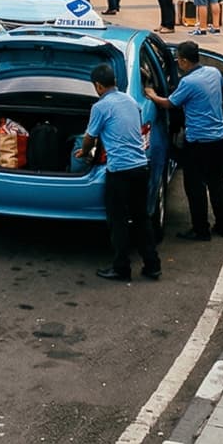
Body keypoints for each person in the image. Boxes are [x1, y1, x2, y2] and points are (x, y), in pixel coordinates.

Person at [143, 41, 223, 240]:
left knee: (194, 186)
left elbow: (169, 103)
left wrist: (152, 95)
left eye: (178, 60)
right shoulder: (214, 72)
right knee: (216, 182)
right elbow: (222, 91)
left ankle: (200, 229)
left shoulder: (188, 83)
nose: (178, 64)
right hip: (219, 138)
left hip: (198, 142)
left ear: (184, 60)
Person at [81, 62, 160, 282]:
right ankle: (152, 265)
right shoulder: (131, 101)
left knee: (118, 221)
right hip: (140, 167)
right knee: (141, 218)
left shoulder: (100, 107)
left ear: (98, 86)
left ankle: (121, 267)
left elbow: (90, 137)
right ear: (114, 81)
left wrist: (83, 152)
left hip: (119, 171)